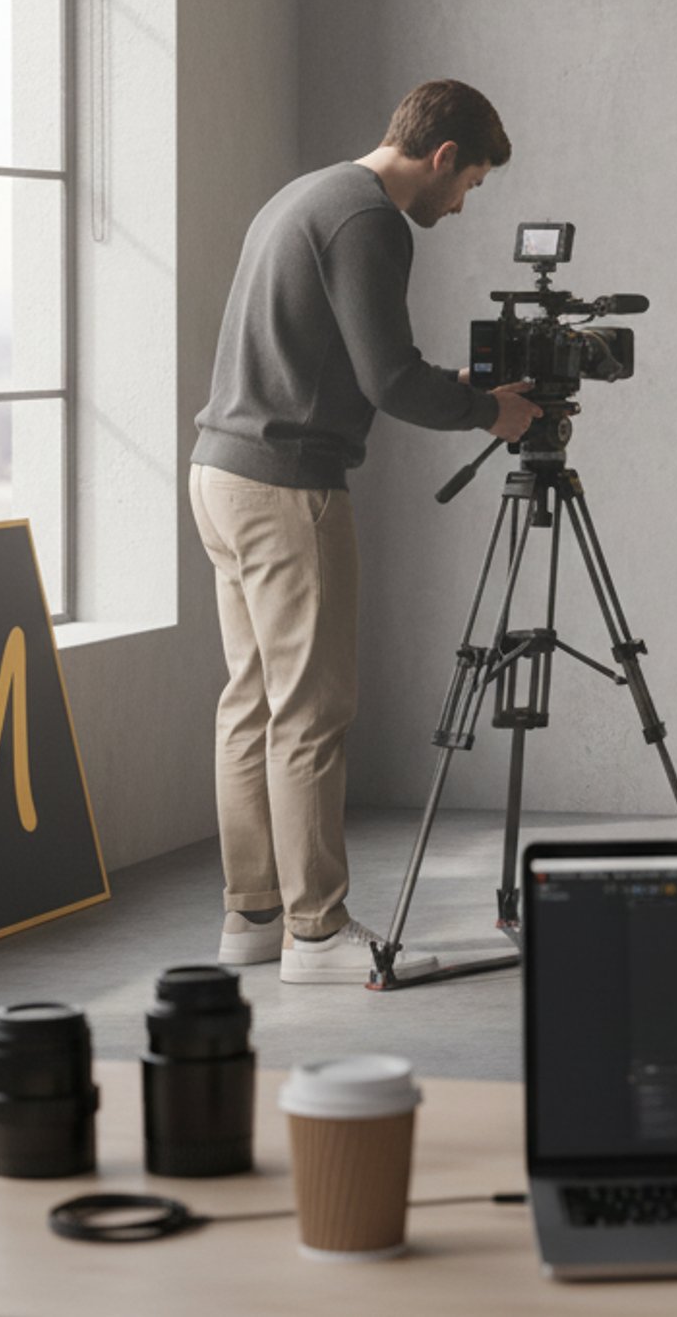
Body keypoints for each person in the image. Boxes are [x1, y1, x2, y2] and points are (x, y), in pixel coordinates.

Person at [188, 80, 540, 983]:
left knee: (251, 703)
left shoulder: (305, 194)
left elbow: (350, 358)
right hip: (288, 487)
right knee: (312, 713)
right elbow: (388, 380)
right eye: (468, 186)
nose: (460, 207)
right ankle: (316, 935)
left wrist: (459, 388)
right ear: (443, 156)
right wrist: (485, 413)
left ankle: (253, 916)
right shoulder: (371, 220)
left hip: (221, 470)